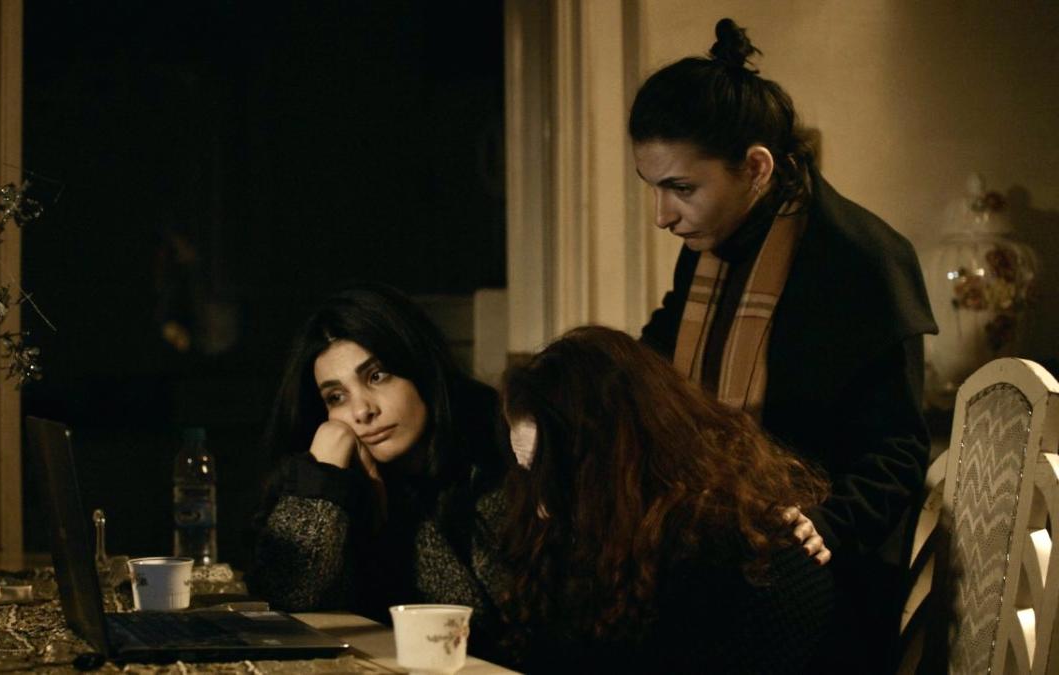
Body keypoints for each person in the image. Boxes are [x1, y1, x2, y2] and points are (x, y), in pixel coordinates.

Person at [631, 18, 937, 672]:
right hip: (720, 544)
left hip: (821, 568)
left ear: (757, 166)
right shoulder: (710, 242)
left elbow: (900, 449)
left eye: (680, 188)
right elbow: (655, 361)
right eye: (651, 187)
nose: (661, 215)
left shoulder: (863, 261)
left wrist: (825, 523)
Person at [499, 325, 834, 673]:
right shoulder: (576, 541)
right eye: (528, 473)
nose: (542, 507)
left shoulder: (754, 562)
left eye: (556, 476)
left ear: (616, 461)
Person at [248, 284, 510, 659]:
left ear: (419, 368)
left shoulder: (495, 453)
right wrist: (324, 474)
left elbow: (500, 631)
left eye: (377, 376)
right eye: (336, 397)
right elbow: (289, 598)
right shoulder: (330, 476)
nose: (362, 411)